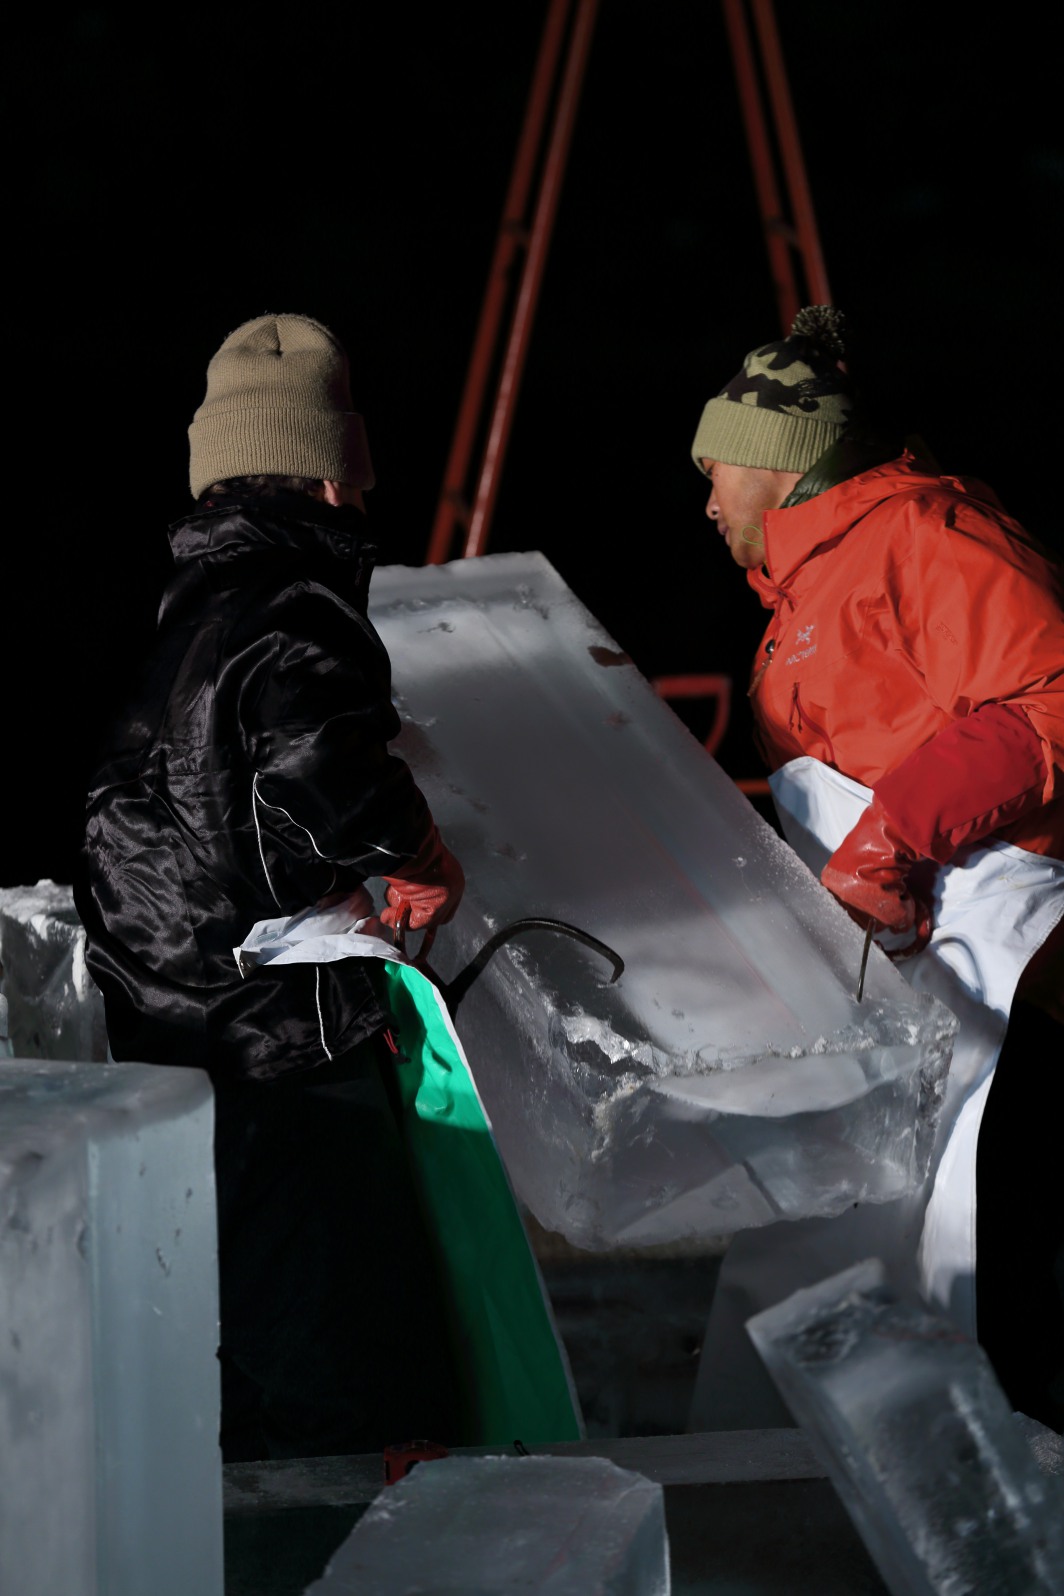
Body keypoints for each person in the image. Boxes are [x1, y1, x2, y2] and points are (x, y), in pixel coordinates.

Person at [75, 312, 466, 1460]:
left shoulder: (186, 614)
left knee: (242, 1361)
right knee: (344, 1371)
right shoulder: (296, 603)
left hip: (175, 1029)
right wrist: (412, 854)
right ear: (336, 478)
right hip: (277, 1048)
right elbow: (311, 762)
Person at [685, 305, 1064, 1431]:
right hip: (906, 972)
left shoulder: (924, 535)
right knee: (844, 1244)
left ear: (778, 463)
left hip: (1001, 973)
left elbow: (1051, 696)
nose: (705, 501)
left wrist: (891, 841)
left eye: (714, 472)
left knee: (984, 1267)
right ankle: (836, 1486)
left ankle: (997, 1497)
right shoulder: (813, 586)